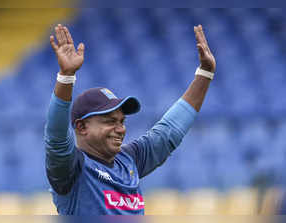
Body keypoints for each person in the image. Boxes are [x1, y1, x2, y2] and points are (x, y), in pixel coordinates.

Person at [45, 23, 216, 215]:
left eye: (122, 121)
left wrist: (205, 73)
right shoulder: (71, 169)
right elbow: (56, 138)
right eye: (110, 121)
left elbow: (168, 132)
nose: (120, 129)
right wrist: (66, 77)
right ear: (82, 126)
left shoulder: (128, 160)